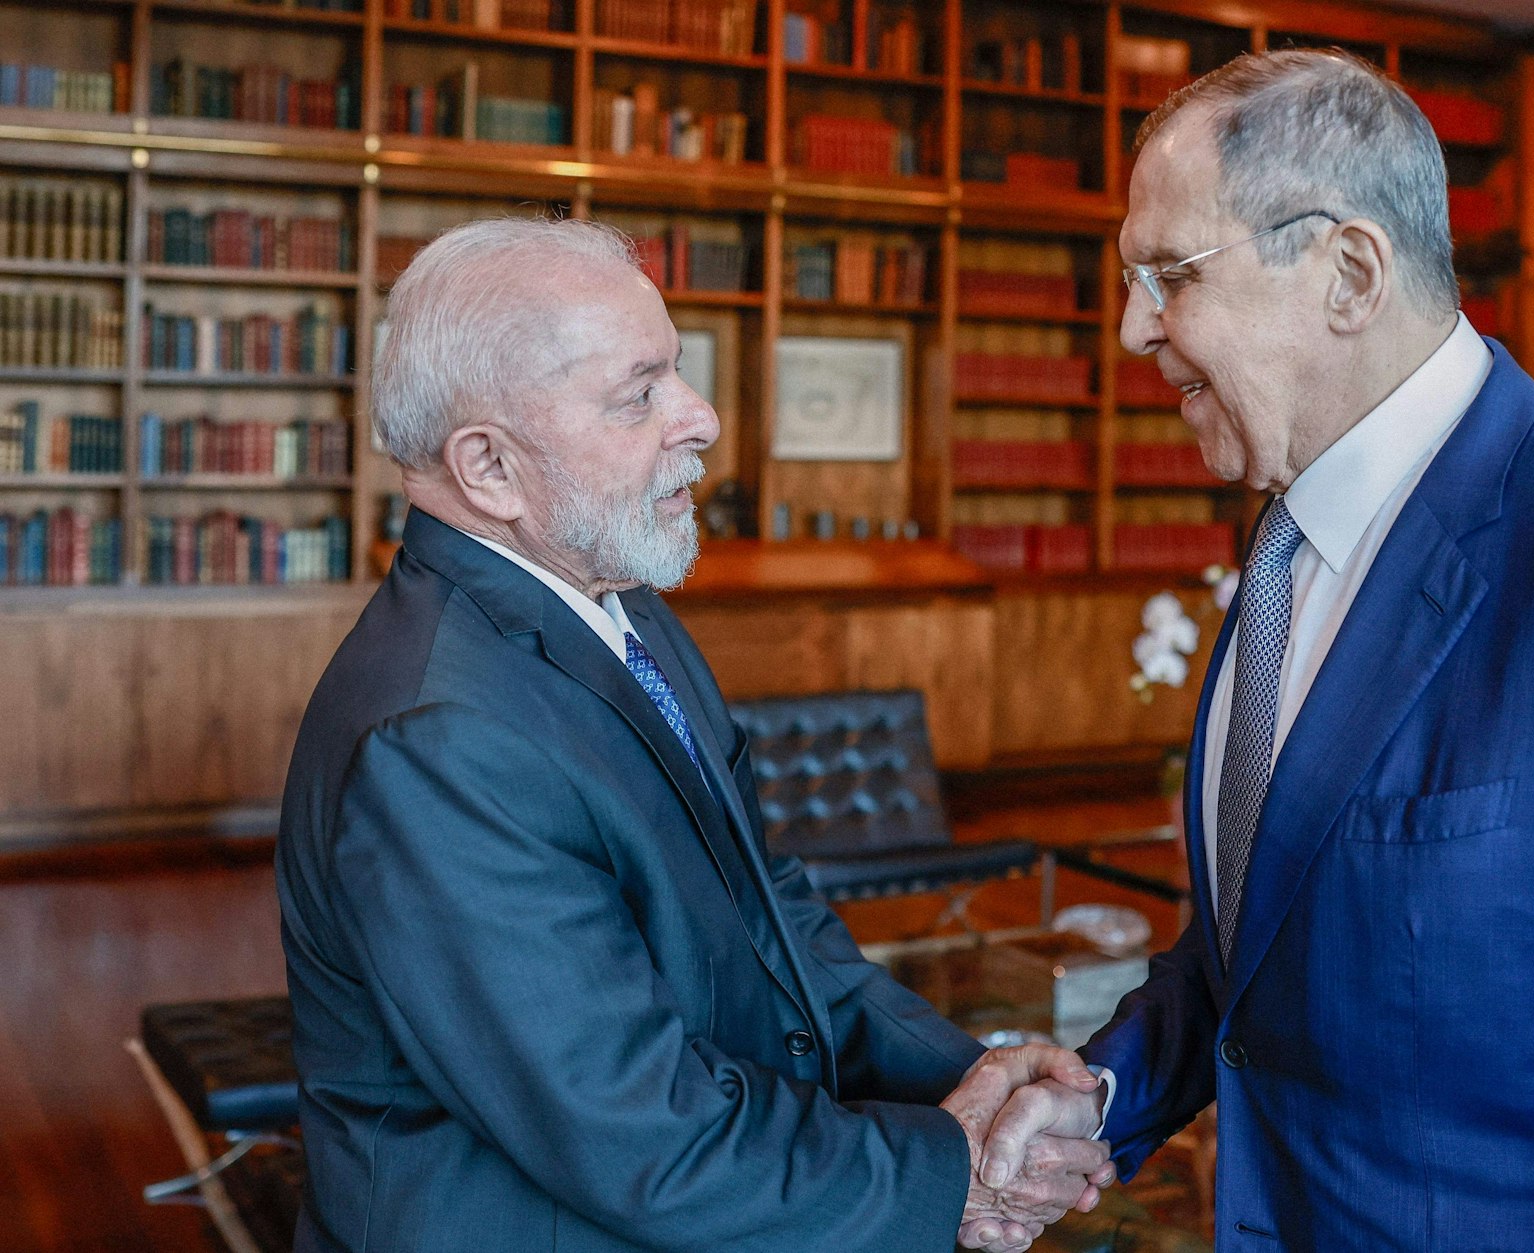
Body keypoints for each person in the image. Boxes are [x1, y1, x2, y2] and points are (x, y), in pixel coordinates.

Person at [977, 48, 1534, 1248]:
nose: (1135, 326)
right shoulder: (1282, 549)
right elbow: (1262, 950)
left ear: (1348, 272)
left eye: (1167, 274)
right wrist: (1092, 1099)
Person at [273, 217, 1114, 1253]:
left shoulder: (624, 612)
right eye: (640, 393)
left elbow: (771, 919)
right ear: (488, 468)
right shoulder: (437, 740)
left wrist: (967, 1073)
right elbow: (637, 1131)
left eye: (677, 373)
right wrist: (956, 1168)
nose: (703, 417)